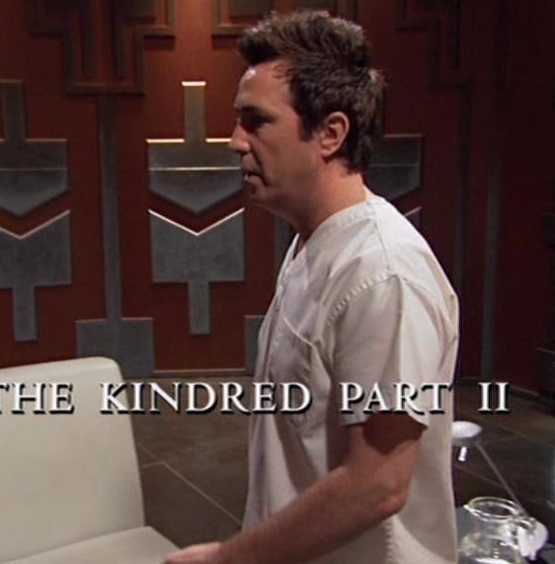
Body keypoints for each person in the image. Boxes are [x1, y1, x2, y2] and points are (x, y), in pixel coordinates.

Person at [165, 10, 459, 564]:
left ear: (330, 133)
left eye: (256, 122)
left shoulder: (383, 273)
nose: (235, 142)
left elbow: (378, 483)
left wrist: (230, 559)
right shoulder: (312, 243)